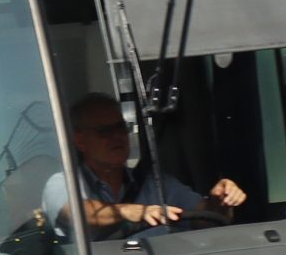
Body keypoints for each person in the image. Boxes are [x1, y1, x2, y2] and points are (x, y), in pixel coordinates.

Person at [41, 92, 247, 239]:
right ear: (80, 141)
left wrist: (219, 201)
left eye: (120, 128)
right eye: (104, 131)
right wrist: (133, 211)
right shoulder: (62, 183)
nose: (117, 137)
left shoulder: (155, 184)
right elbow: (77, 213)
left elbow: (204, 219)